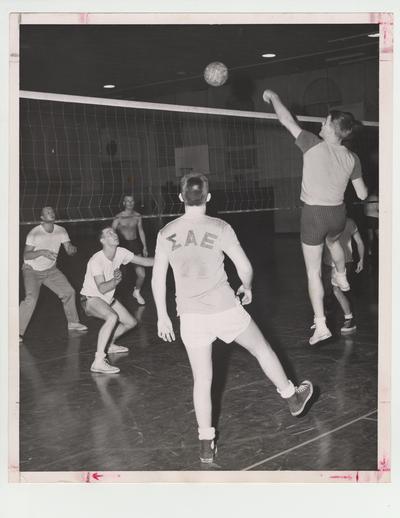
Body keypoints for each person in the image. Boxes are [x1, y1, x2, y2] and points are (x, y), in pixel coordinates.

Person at [151, 173, 314, 464]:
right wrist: (247, 286)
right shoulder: (221, 227)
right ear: (208, 198)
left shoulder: (166, 233)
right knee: (261, 349)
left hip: (190, 316)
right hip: (226, 308)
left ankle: (205, 443)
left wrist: (163, 316)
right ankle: (291, 396)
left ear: (180, 198)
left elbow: (157, 280)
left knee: (202, 380)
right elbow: (245, 267)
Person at [263, 90, 368, 345]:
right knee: (334, 243)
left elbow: (286, 120)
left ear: (332, 129)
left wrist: (274, 97)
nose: (321, 124)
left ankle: (321, 324)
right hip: (337, 214)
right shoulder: (352, 158)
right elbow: (363, 195)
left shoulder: (312, 142)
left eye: (324, 122)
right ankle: (341, 274)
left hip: (314, 214)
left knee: (312, 273)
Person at [80, 227, 154, 374]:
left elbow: (145, 262)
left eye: (114, 232)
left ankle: (109, 344)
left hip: (107, 299)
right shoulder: (96, 260)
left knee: (130, 322)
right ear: (102, 240)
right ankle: (99, 361)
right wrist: (115, 281)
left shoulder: (121, 252)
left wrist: (168, 258)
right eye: (109, 234)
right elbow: (101, 288)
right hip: (90, 299)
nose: (114, 235)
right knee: (112, 317)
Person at [19, 206, 88, 342]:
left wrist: (72, 249)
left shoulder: (61, 231)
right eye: (47, 212)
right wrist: (42, 252)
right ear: (42, 218)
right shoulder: (35, 233)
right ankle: (15, 331)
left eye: (52, 211)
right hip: (32, 270)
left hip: (50, 270)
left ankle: (73, 323)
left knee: (69, 292)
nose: (51, 213)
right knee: (31, 299)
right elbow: (26, 256)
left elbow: (69, 249)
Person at [313, 218, 365, 337]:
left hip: (344, 262)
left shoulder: (350, 222)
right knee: (326, 291)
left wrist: (361, 260)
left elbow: (359, 242)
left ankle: (349, 318)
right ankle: (322, 319)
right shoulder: (324, 221)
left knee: (337, 290)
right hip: (327, 262)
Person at [112, 195, 148, 305]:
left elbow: (141, 231)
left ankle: (136, 292)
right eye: (127, 201)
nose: (130, 203)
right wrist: (111, 250)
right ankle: (113, 297)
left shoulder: (137, 216)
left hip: (134, 246)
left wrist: (144, 247)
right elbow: (111, 232)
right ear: (124, 203)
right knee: (119, 276)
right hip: (122, 247)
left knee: (142, 274)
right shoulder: (118, 217)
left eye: (131, 201)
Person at [364, 189, 379, 258]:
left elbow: (364, 209)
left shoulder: (367, 198)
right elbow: (379, 208)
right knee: (378, 234)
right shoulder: (376, 198)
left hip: (368, 218)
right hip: (375, 218)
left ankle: (369, 250)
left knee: (370, 235)